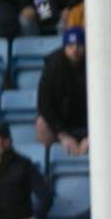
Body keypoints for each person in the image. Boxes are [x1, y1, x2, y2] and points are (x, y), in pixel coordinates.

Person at [36, 25, 89, 156]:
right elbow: (44, 104)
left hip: (88, 123)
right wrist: (63, 135)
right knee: (42, 123)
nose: (75, 49)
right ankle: (47, 168)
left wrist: (92, 135)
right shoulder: (53, 67)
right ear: (64, 47)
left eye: (79, 45)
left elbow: (104, 105)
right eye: (70, 45)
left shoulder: (94, 64)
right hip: (61, 125)